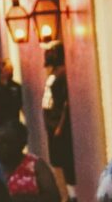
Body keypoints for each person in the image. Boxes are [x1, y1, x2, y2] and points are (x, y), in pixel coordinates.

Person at [0, 121, 61, 202]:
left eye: (8, 142)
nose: (1, 146)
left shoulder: (36, 165)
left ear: (22, 145)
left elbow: (54, 198)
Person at [42, 46, 76, 199]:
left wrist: (60, 125)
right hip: (52, 123)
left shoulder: (62, 74)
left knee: (63, 160)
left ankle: (70, 194)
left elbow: (65, 103)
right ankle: (66, 193)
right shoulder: (54, 73)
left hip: (57, 124)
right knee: (57, 160)